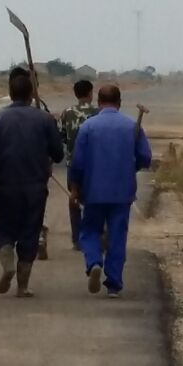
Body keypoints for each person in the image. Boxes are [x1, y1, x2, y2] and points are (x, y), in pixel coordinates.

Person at [0, 66, 64, 297]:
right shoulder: (44, 119)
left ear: (10, 93)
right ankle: (23, 285)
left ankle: (7, 263)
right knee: (30, 231)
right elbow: (58, 154)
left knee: (3, 227)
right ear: (31, 94)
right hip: (36, 186)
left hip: (7, 185)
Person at [68, 85, 152, 298]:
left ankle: (94, 262)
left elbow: (77, 163)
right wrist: (131, 165)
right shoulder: (131, 126)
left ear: (98, 102)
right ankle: (113, 283)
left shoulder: (88, 127)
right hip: (122, 191)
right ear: (119, 102)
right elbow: (145, 158)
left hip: (93, 191)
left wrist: (75, 188)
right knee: (117, 236)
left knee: (89, 230)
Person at [58, 79, 99, 250]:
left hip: (73, 164)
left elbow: (61, 136)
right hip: (95, 165)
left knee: (74, 199)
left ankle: (77, 238)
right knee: (95, 201)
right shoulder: (98, 113)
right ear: (90, 93)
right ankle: (94, 235)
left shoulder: (66, 113)